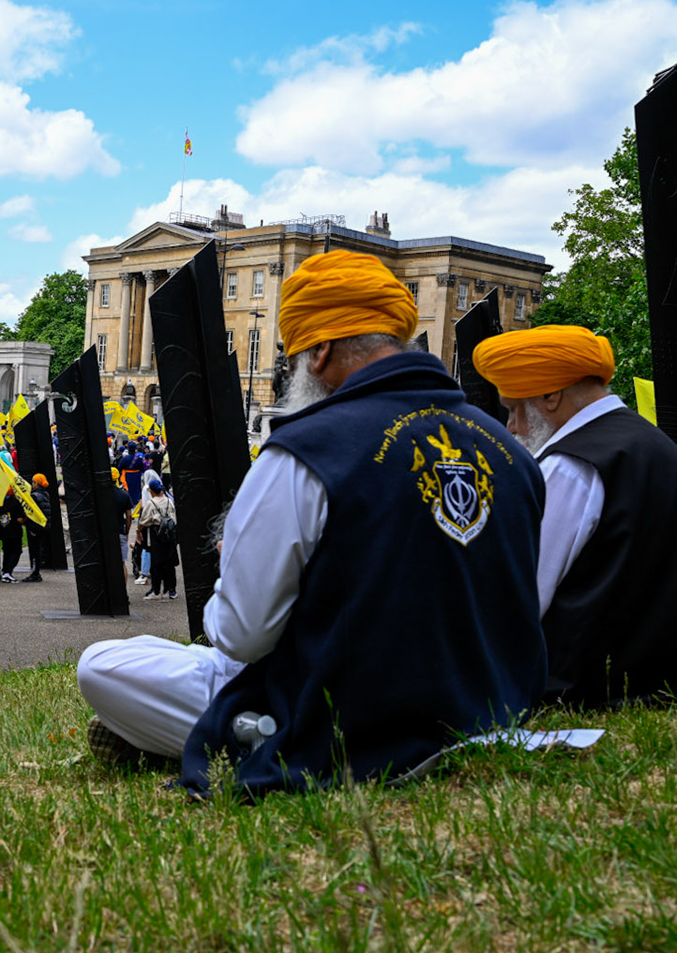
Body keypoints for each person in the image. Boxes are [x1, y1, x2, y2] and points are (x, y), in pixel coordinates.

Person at [78, 250, 546, 793]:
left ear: (320, 351)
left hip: (353, 718)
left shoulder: (305, 449)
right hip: (492, 705)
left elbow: (239, 637)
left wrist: (239, 564)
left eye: (293, 357)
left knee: (103, 664)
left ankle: (225, 735)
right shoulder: (512, 453)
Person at [472, 324, 677, 708]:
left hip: (596, 684)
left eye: (512, 408)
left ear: (549, 394)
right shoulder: (655, 442)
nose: (510, 427)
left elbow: (522, 595)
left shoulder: (570, 464)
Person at [136, 474, 178, 599]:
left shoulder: (151, 503)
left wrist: (138, 531)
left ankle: (156, 590)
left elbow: (144, 521)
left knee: (157, 563)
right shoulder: (169, 501)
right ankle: (171, 590)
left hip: (157, 534)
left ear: (151, 490)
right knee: (170, 562)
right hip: (170, 534)